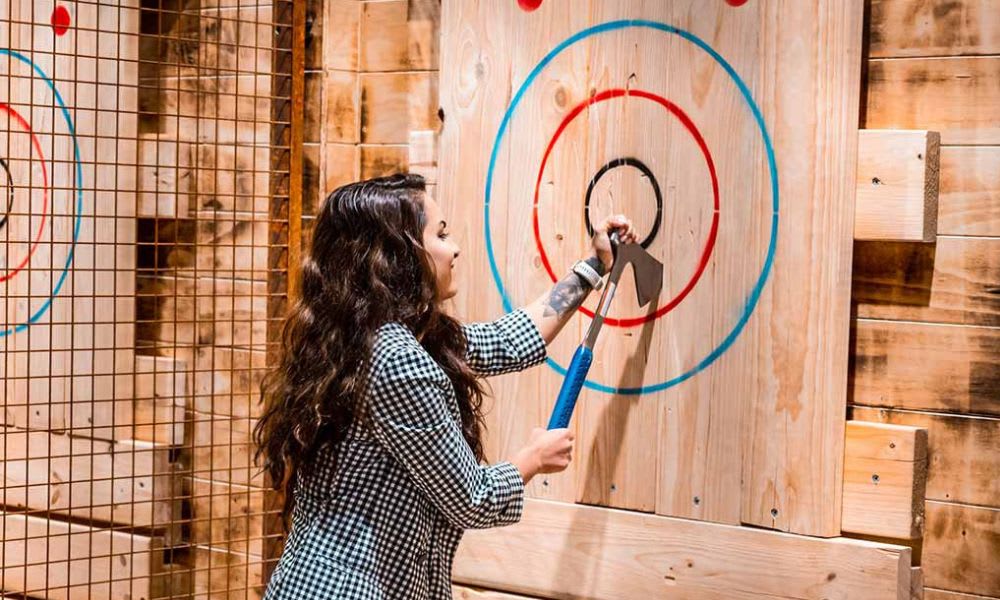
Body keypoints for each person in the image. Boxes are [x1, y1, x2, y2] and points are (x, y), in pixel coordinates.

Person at [254, 173, 637, 599]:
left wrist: (592, 267)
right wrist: (533, 458)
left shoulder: (368, 334)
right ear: (397, 255)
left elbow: (509, 340)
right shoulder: (397, 359)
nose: (453, 248)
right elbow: (472, 499)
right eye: (439, 235)